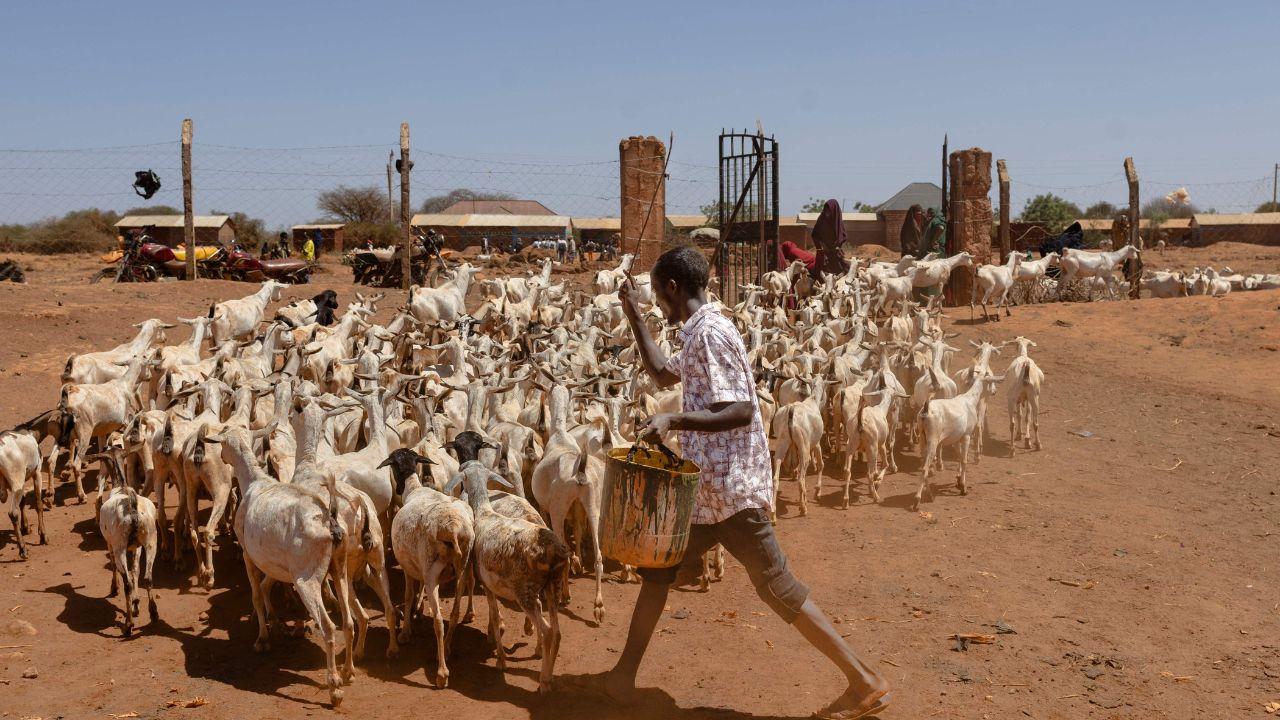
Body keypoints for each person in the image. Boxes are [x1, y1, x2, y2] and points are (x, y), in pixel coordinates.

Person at [591, 246, 891, 719]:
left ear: (672, 288)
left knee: (777, 586)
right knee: (657, 571)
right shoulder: (699, 332)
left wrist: (675, 421)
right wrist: (633, 316)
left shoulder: (710, 333)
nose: (658, 304)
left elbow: (741, 409)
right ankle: (622, 678)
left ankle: (865, 679)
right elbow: (662, 372)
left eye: (656, 295)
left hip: (730, 494)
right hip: (706, 494)